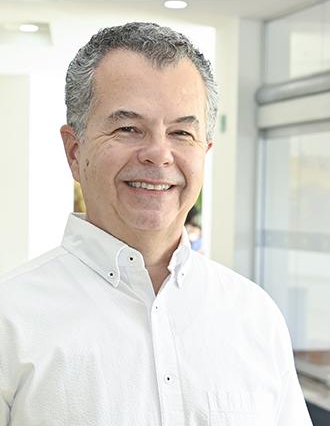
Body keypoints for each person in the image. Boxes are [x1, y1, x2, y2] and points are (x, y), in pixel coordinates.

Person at [0, 22, 312, 425]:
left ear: (205, 152)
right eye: (129, 128)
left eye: (182, 132)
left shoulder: (254, 316)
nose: (159, 155)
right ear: (74, 151)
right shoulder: (10, 319)